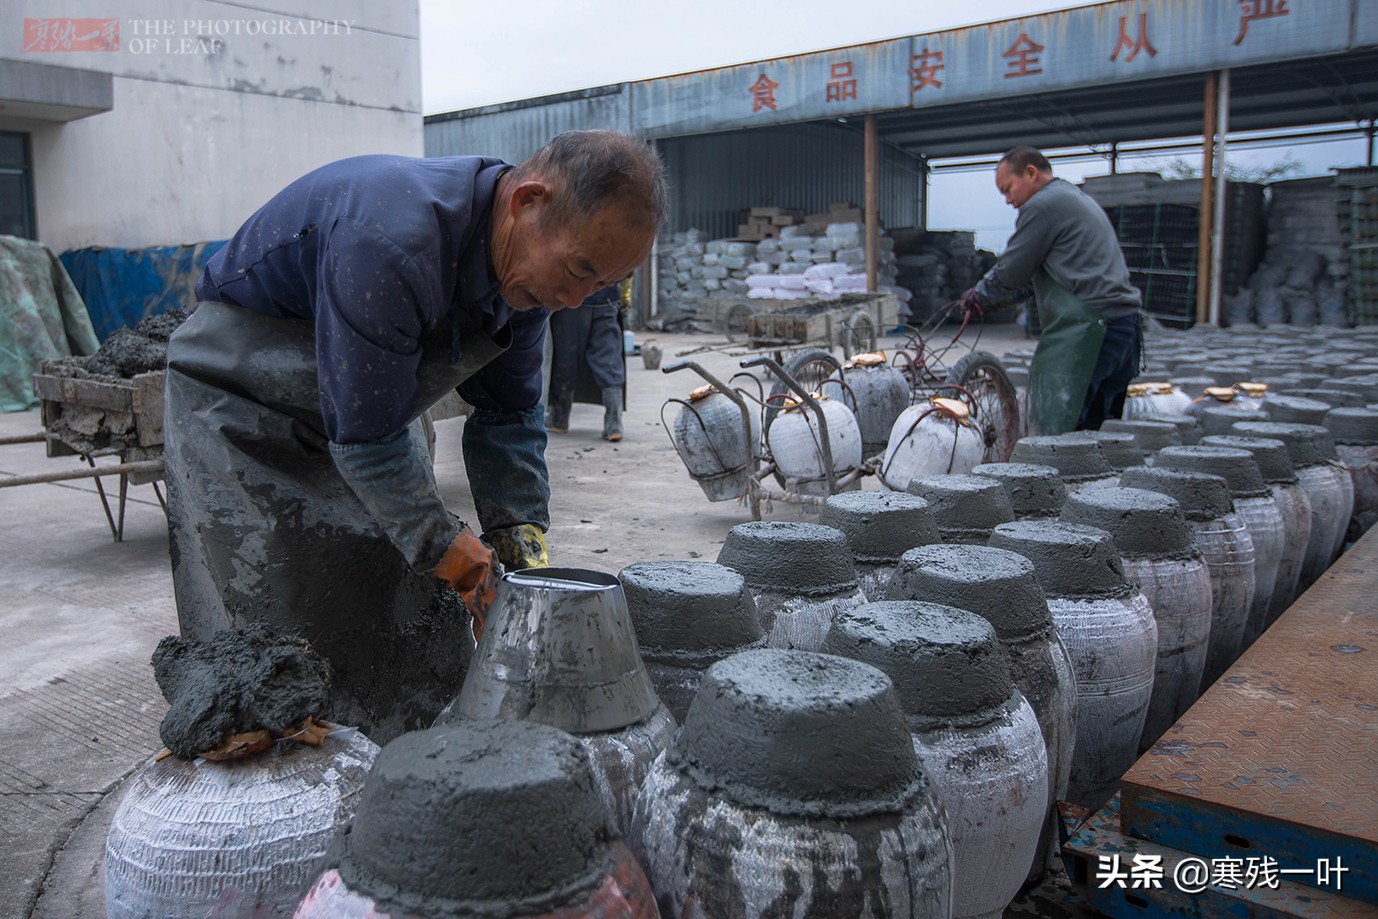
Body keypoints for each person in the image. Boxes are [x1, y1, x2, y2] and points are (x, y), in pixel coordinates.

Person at [163, 130, 665, 741]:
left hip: (362, 412)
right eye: (578, 270)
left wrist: (518, 538)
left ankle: (396, 761)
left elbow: (508, 413)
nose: (572, 299)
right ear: (528, 201)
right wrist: (452, 553)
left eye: (598, 288)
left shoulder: (529, 283)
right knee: (280, 632)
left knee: (396, 603)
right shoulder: (391, 240)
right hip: (240, 406)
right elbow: (371, 443)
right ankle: (285, 798)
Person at [960, 146, 1142, 435]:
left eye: (1008, 189)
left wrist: (980, 294)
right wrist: (997, 300)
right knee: (1099, 433)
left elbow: (1012, 270)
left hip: (1091, 330)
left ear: (1031, 173)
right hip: (1123, 327)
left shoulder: (1042, 205)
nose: (1008, 200)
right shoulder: (1071, 198)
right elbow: (1039, 280)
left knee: (1057, 435)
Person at [546, 281, 627, 441]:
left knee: (567, 357)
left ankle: (559, 420)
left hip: (573, 297)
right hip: (607, 297)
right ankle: (614, 424)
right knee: (608, 357)